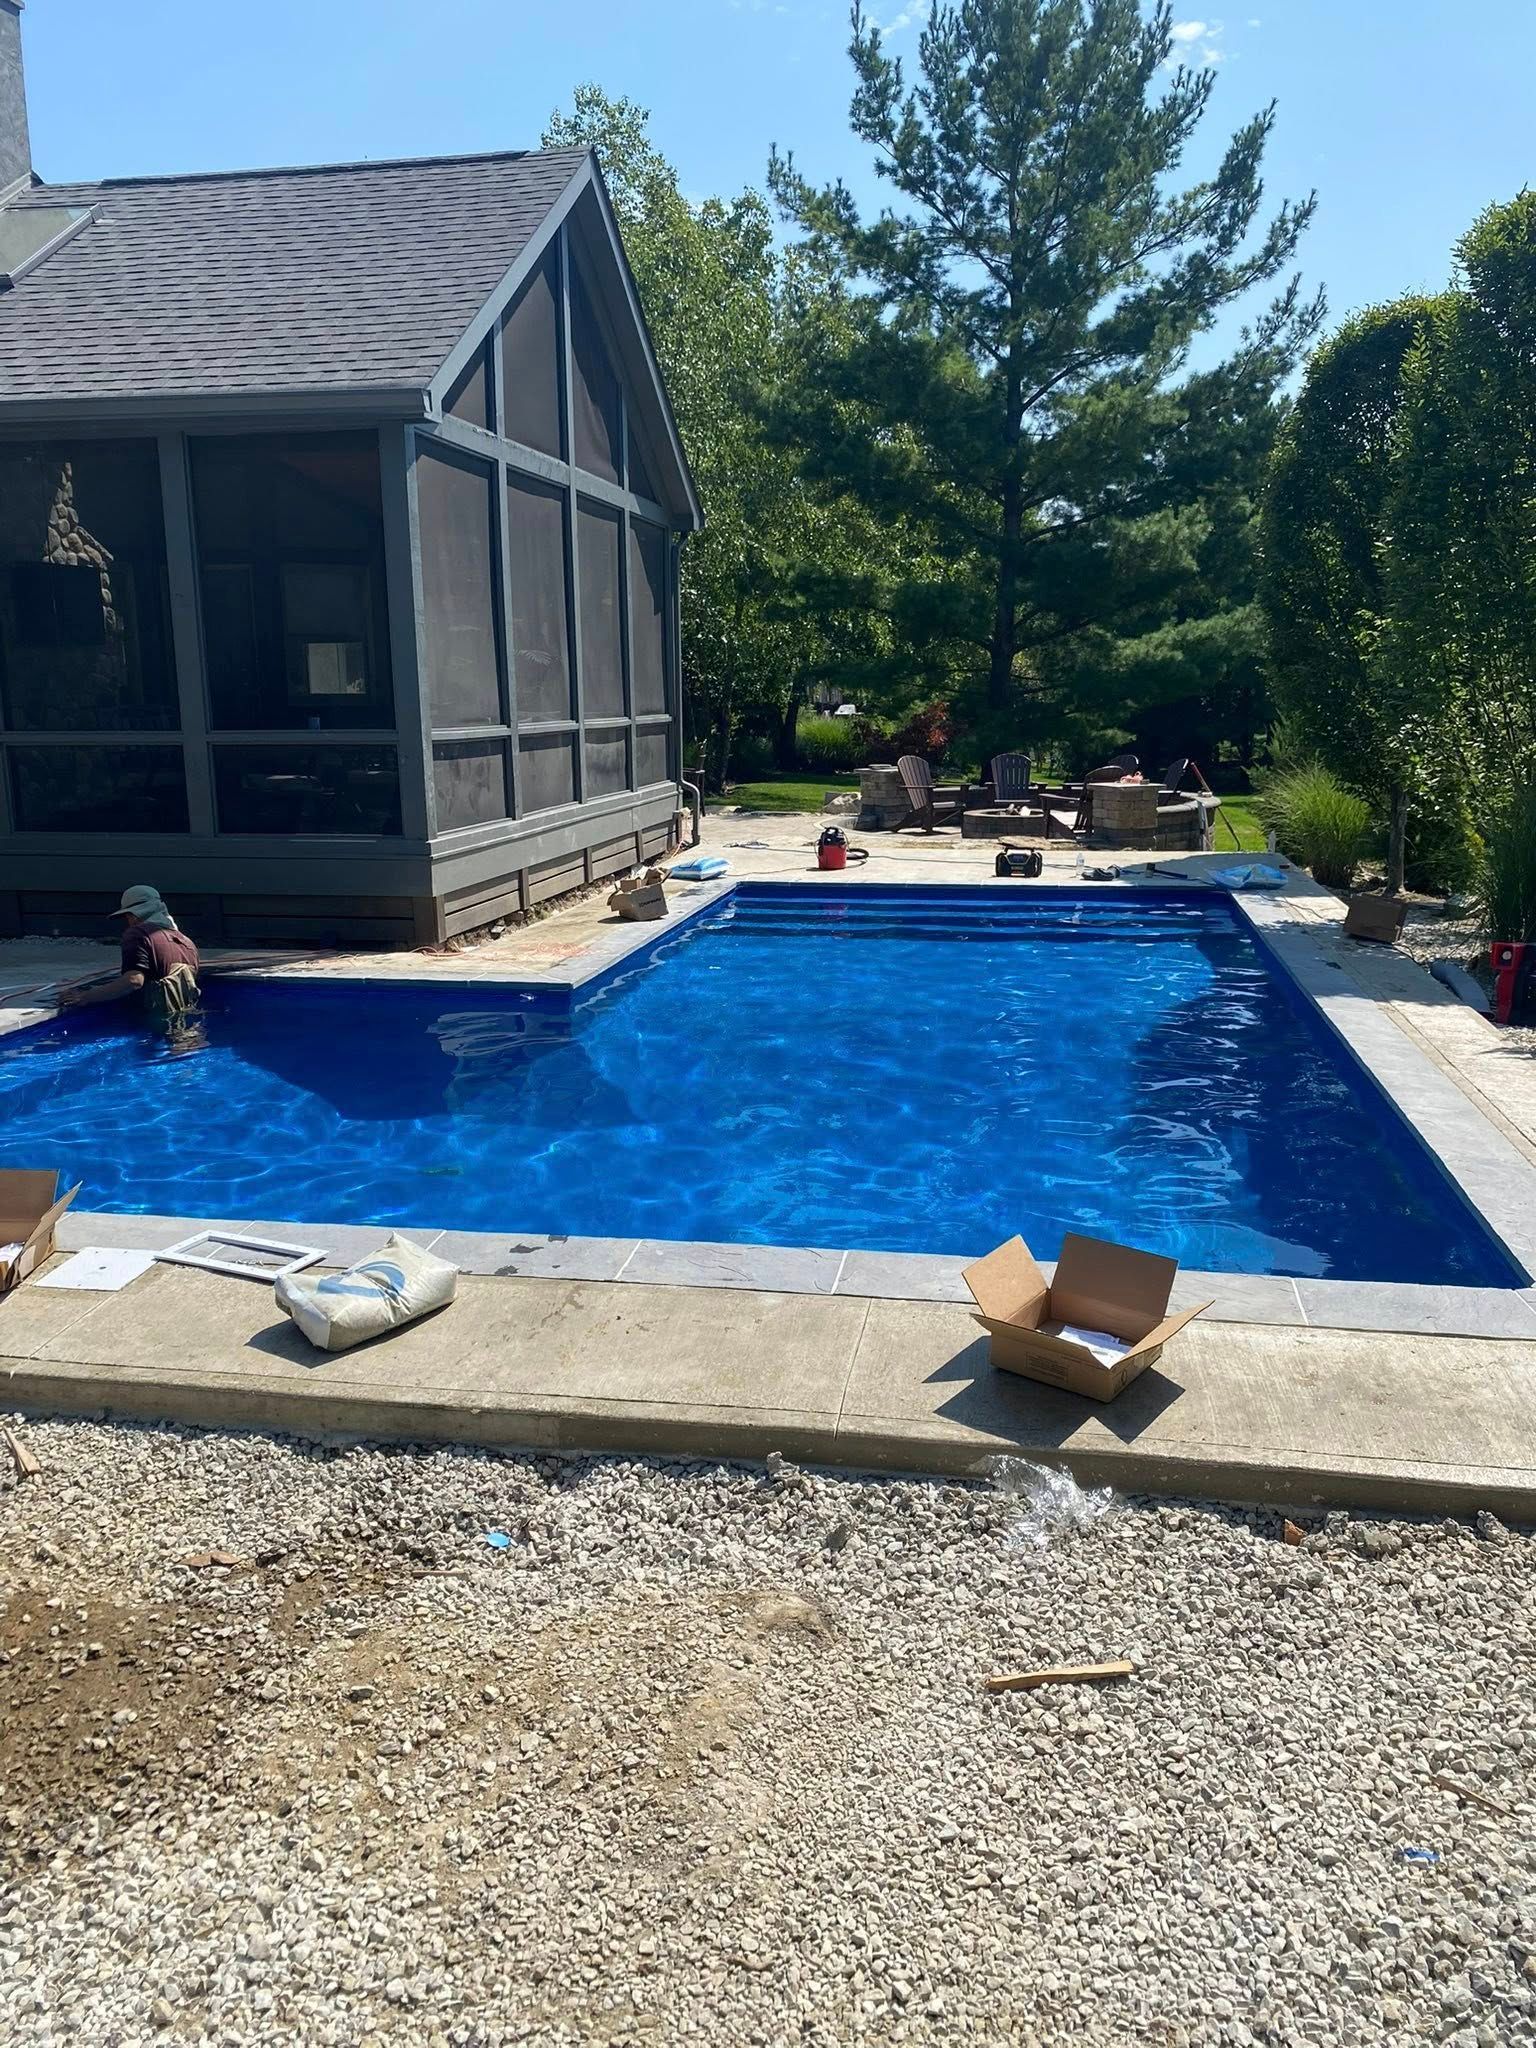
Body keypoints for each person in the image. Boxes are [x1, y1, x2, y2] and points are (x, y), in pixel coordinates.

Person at [57, 885, 202, 1029]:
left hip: (154, 1023)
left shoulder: (138, 934)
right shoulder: (187, 943)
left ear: (133, 915)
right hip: (187, 1025)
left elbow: (134, 981)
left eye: (126, 916)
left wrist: (85, 996)